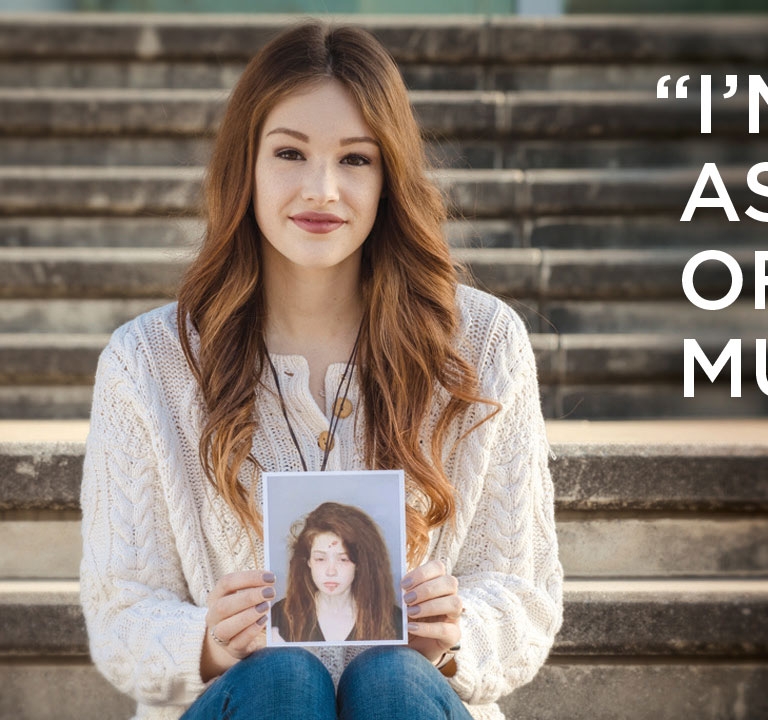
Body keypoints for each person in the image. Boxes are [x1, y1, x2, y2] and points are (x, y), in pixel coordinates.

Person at [78, 19, 564, 720]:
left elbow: (524, 590)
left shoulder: (482, 344)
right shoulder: (147, 362)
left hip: (412, 702)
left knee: (388, 678)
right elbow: (121, 608)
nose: (322, 189)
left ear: (390, 175)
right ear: (244, 166)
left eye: (356, 159)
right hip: (245, 704)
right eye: (289, 153)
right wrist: (208, 641)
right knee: (286, 680)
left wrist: (460, 634)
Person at [271, 502, 403, 644]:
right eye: (320, 559)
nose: (331, 571)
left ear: (359, 564)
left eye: (343, 559)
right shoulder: (281, 615)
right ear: (308, 561)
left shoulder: (392, 618)